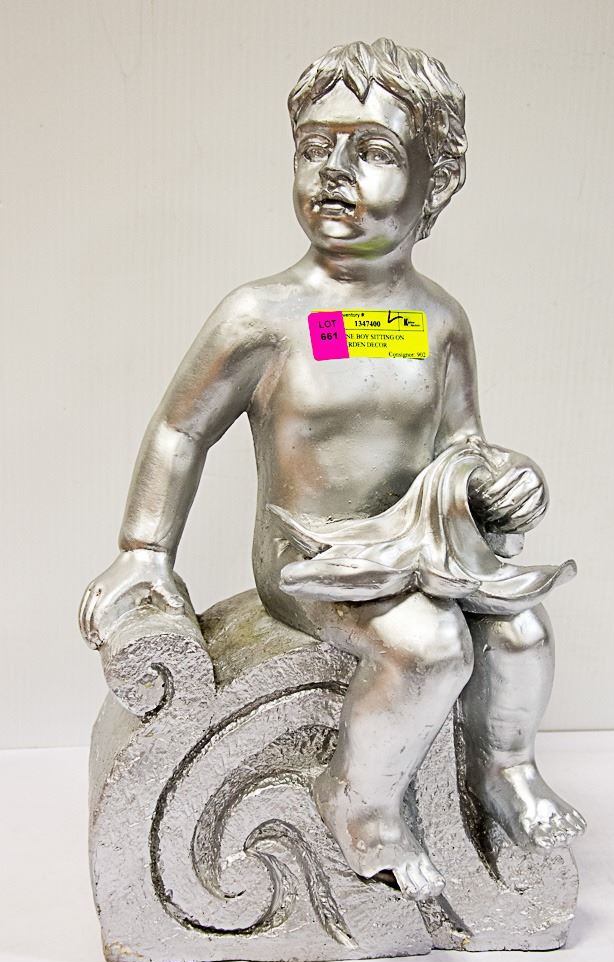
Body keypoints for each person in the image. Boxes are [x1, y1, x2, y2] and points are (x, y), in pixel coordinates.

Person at [79, 38, 585, 902]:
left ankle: (504, 770)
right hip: (312, 556)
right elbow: (179, 429)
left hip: (418, 542)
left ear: (435, 183)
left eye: (374, 151)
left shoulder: (439, 320)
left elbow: (463, 443)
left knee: (522, 632)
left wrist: (504, 480)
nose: (334, 171)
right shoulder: (263, 314)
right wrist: (144, 551)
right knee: (428, 647)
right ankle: (360, 801)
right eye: (315, 147)